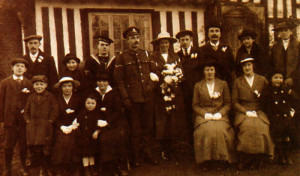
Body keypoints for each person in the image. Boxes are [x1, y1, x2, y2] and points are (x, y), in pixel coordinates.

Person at [114, 27, 159, 167]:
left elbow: (155, 73)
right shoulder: (122, 57)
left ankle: (148, 154)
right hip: (133, 100)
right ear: (127, 40)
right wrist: (126, 98)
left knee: (148, 128)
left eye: (137, 37)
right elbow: (119, 80)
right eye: (132, 38)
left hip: (148, 98)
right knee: (135, 129)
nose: (136, 40)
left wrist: (151, 86)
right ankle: (136, 157)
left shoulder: (146, 54)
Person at [232, 55, 274, 170]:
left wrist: (260, 107)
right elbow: (234, 101)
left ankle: (258, 157)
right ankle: (245, 158)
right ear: (242, 68)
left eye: (249, 65)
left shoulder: (262, 80)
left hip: (258, 110)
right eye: (244, 66)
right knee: (247, 127)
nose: (247, 68)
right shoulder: (238, 81)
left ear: (253, 66)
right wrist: (245, 112)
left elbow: (269, 97)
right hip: (243, 110)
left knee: (261, 127)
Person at [150, 32, 187, 160]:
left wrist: (174, 78)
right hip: (160, 94)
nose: (164, 45)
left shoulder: (175, 56)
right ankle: (161, 150)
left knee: (173, 121)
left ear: (170, 44)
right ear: (158, 44)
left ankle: (172, 149)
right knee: (161, 121)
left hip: (174, 94)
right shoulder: (153, 57)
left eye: (166, 42)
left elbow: (180, 72)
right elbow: (153, 73)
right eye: (162, 43)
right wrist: (163, 81)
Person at [192, 61, 235, 171]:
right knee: (206, 130)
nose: (209, 72)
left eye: (212, 70)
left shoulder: (223, 84)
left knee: (221, 130)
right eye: (207, 70)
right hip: (204, 115)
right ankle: (206, 160)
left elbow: (228, 103)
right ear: (204, 72)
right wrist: (204, 114)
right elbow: (195, 105)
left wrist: (220, 113)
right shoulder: (198, 85)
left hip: (220, 114)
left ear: (215, 71)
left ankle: (222, 159)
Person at [90, 72, 129, 176]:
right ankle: (105, 167)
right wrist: (98, 121)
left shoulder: (114, 93)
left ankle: (120, 165)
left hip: (114, 122)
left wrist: (107, 121)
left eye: (104, 81)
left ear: (108, 82)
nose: (101, 83)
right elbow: (91, 108)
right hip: (98, 122)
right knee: (101, 137)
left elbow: (118, 111)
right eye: (99, 81)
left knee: (115, 136)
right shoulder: (94, 93)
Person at [0, 58, 32, 176]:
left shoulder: (28, 83)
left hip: (23, 119)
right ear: (12, 68)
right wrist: (2, 119)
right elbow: (1, 101)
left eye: (22, 66)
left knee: (23, 145)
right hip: (10, 119)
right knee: (8, 145)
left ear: (25, 69)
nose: (19, 68)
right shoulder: (5, 83)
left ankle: (23, 166)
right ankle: (7, 168)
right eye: (17, 66)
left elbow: (30, 101)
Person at [24, 75, 59, 175]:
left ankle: (45, 167)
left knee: (46, 147)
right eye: (36, 84)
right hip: (33, 126)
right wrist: (27, 120)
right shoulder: (31, 97)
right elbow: (26, 110)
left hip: (45, 126)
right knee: (36, 147)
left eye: (41, 84)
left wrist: (51, 120)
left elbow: (55, 109)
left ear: (46, 85)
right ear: (33, 86)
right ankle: (37, 166)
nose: (39, 86)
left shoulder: (50, 96)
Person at [261, 70, 298, 165]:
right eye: (275, 77)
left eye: (280, 78)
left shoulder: (285, 89)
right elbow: (264, 104)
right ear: (271, 79)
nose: (278, 80)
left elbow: (294, 99)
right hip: (274, 117)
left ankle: (287, 154)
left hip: (285, 115)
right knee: (278, 135)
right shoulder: (267, 91)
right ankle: (281, 155)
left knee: (287, 134)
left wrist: (291, 110)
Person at [51, 77, 82, 175]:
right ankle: (61, 167)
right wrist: (61, 127)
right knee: (61, 141)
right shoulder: (56, 98)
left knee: (73, 140)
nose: (67, 88)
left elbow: (81, 113)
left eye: (69, 86)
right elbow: (54, 115)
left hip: (75, 126)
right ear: (61, 88)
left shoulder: (78, 98)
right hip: (60, 126)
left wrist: (74, 125)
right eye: (64, 86)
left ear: (73, 87)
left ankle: (74, 167)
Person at [175, 30, 202, 143]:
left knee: (197, 113)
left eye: (187, 39)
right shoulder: (177, 55)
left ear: (191, 40)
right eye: (182, 40)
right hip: (183, 91)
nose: (185, 42)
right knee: (185, 115)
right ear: (179, 42)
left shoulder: (199, 53)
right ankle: (188, 140)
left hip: (196, 89)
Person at [199, 22, 235, 88]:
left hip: (225, 82)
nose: (214, 33)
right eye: (211, 31)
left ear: (220, 34)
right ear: (208, 34)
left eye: (217, 31)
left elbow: (232, 65)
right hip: (209, 83)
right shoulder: (202, 50)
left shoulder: (227, 48)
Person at [270, 21, 300, 88]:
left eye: (286, 30)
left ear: (290, 31)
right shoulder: (275, 47)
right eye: (281, 31)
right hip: (279, 81)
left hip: (296, 81)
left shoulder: (298, 45)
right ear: (279, 33)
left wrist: (293, 78)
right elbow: (271, 64)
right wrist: (276, 77)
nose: (283, 33)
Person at [76, 95, 100, 176]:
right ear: (85, 104)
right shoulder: (82, 113)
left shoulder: (97, 114)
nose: (90, 105)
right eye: (88, 103)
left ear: (96, 104)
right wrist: (79, 132)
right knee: (85, 154)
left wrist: (97, 131)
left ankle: (92, 168)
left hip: (92, 137)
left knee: (91, 153)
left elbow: (99, 125)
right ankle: (86, 169)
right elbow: (77, 124)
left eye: (93, 103)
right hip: (83, 137)